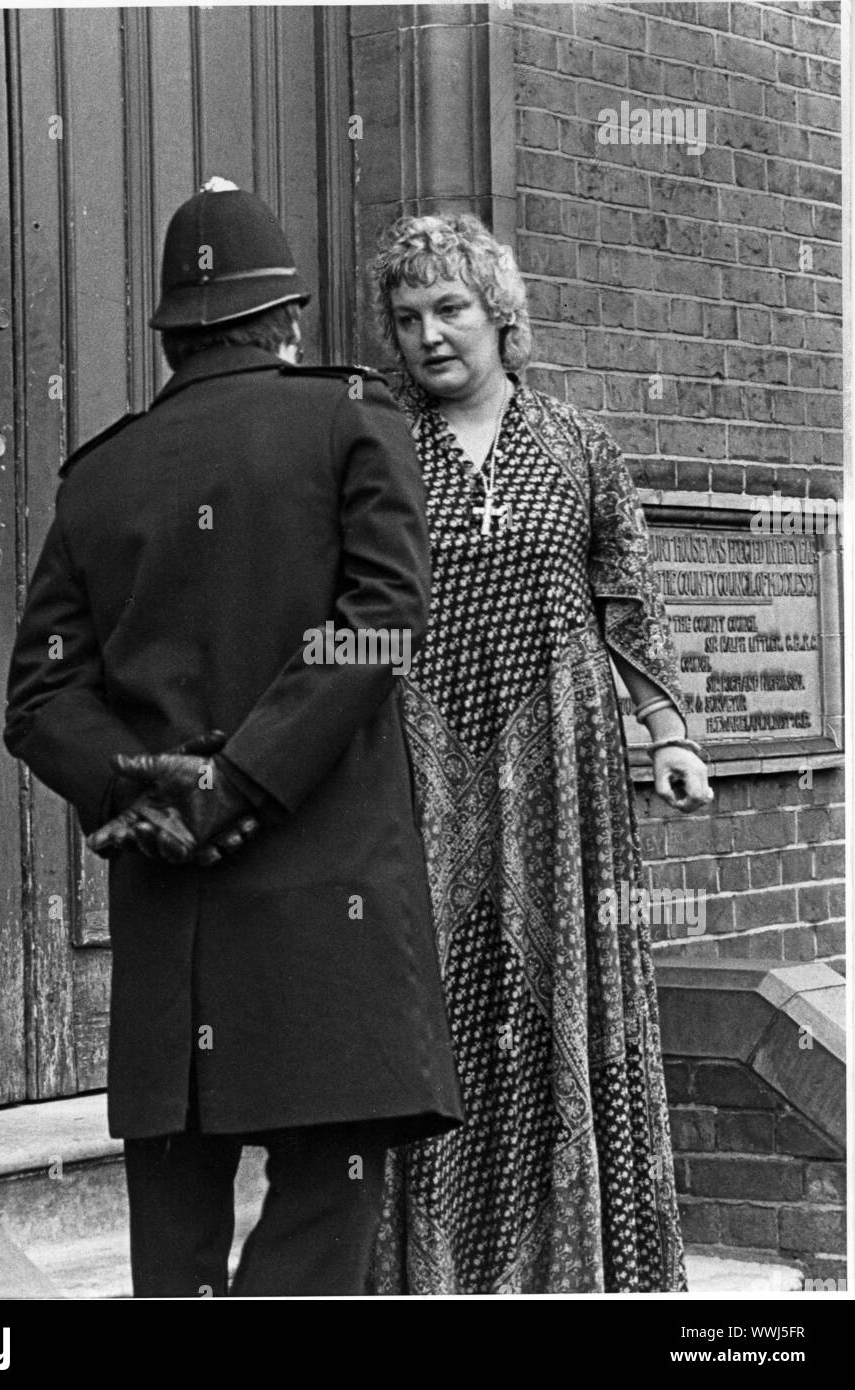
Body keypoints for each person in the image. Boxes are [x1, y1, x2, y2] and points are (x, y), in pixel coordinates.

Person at [4, 181, 462, 1299]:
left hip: (175, 938)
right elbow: (379, 623)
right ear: (288, 319)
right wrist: (244, 778)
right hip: (331, 915)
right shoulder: (355, 418)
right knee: (321, 1218)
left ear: (172, 335)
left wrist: (155, 791)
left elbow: (38, 697)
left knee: (175, 1248)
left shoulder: (99, 477)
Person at [367, 212, 712, 1294]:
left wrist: (668, 733)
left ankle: (576, 1273)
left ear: (500, 316)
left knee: (563, 998)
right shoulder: (375, 448)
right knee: (439, 1014)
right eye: (409, 314)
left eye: (452, 309)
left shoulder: (576, 444)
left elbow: (629, 596)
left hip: (564, 779)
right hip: (420, 775)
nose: (431, 334)